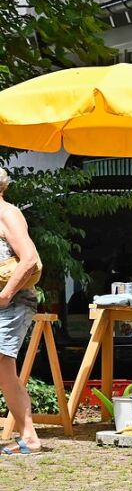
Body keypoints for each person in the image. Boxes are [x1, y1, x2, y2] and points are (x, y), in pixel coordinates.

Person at [0, 168, 43, 456]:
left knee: (2, 364)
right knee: (3, 370)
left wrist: (4, 295)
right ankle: (29, 437)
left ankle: (29, 437)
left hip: (12, 301)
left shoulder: (8, 213)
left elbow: (30, 260)